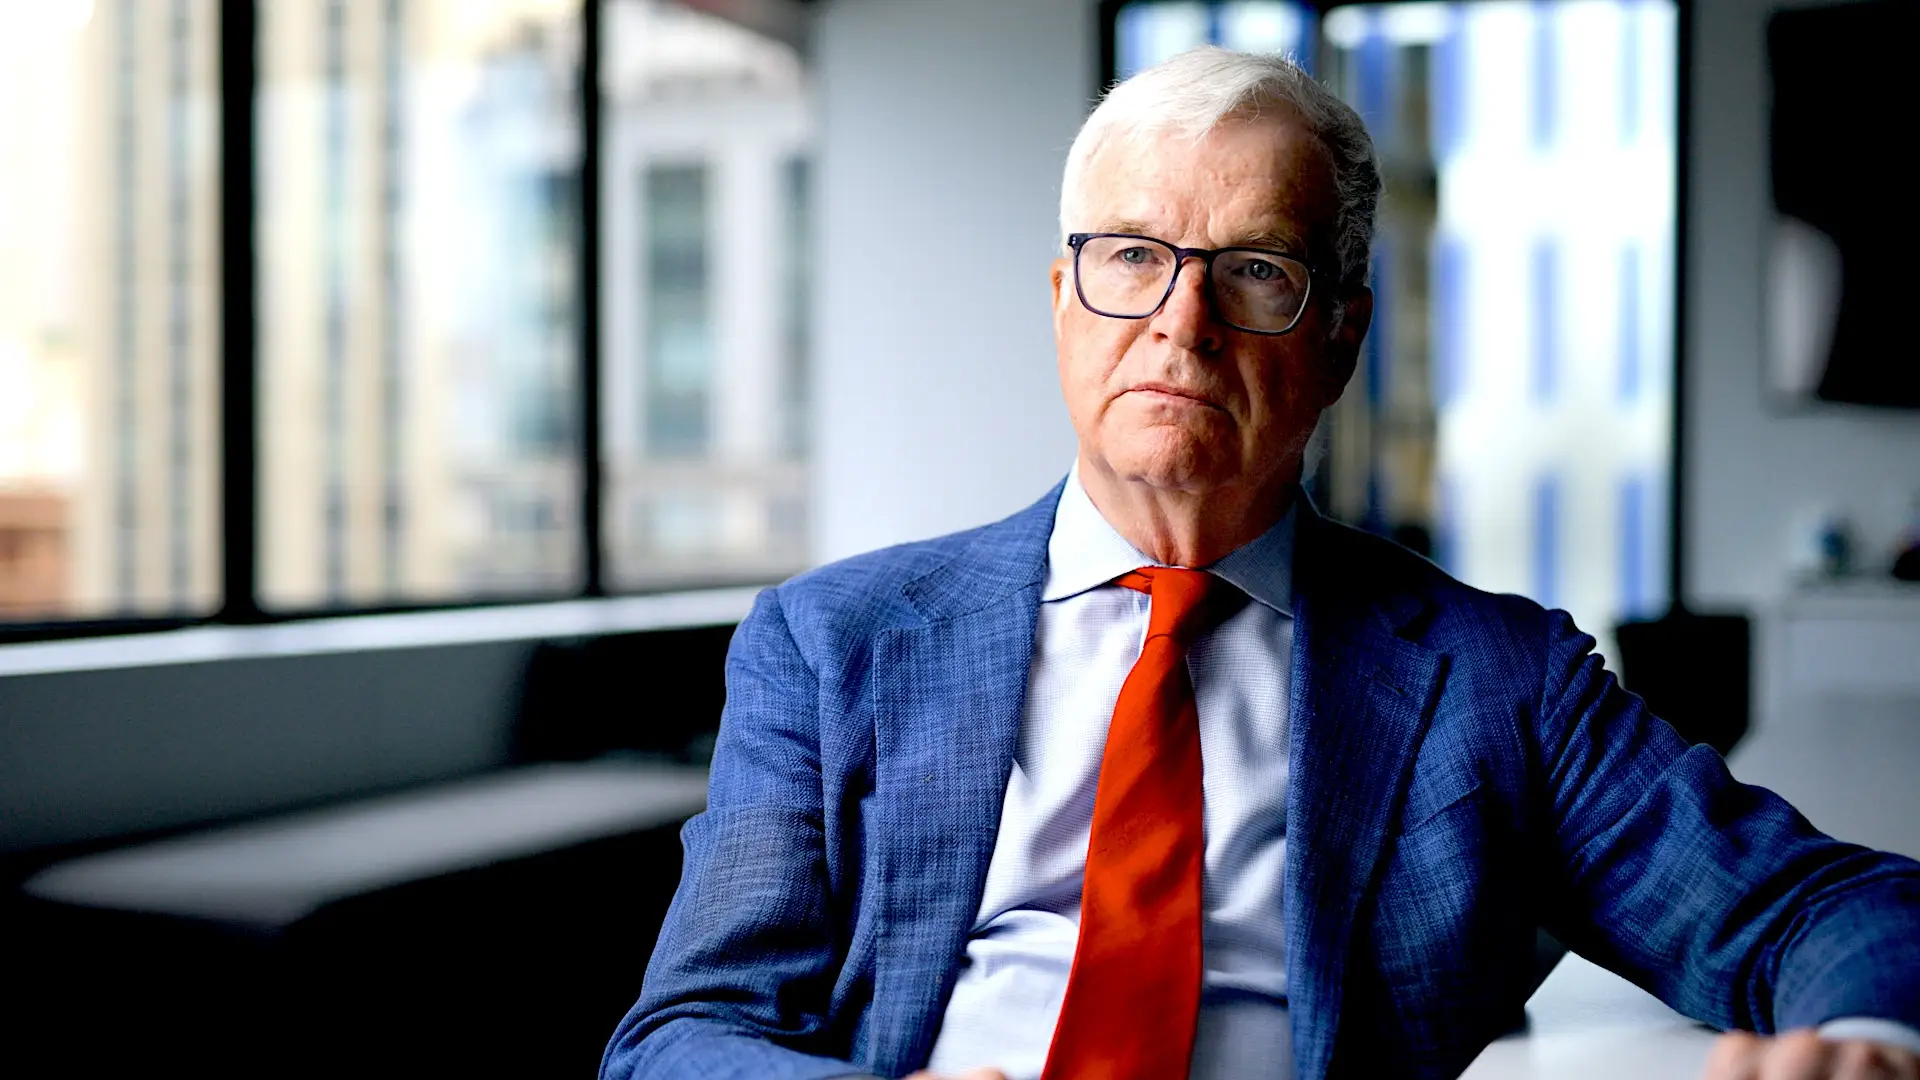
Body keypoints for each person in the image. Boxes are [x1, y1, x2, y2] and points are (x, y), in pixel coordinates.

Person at [601, 47, 1920, 1080]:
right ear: (1063, 305)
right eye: (1131, 257)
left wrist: (1869, 1046)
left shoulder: (1500, 680)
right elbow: (684, 1036)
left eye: (1254, 271)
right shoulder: (833, 643)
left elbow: (1828, 908)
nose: (1182, 323)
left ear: (1341, 337)